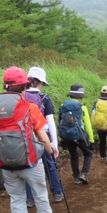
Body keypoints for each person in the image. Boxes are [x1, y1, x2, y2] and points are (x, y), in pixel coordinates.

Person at [0, 67, 56, 213]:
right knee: (40, 192)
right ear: (25, 86)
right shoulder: (30, 107)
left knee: (17, 197)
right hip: (30, 162)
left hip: (6, 164)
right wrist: (51, 150)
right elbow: (42, 136)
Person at [23, 66, 64, 205]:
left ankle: (30, 199)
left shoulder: (20, 97)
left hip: (26, 138)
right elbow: (51, 122)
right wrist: (54, 144)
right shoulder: (44, 98)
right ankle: (57, 192)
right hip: (42, 136)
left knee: (28, 167)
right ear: (40, 82)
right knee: (50, 164)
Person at [58, 84, 95, 184]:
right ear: (81, 96)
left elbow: (60, 122)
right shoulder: (82, 108)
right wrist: (91, 140)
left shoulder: (63, 106)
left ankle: (76, 177)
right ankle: (84, 174)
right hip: (79, 135)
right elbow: (87, 124)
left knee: (73, 155)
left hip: (67, 135)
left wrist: (61, 137)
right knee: (88, 153)